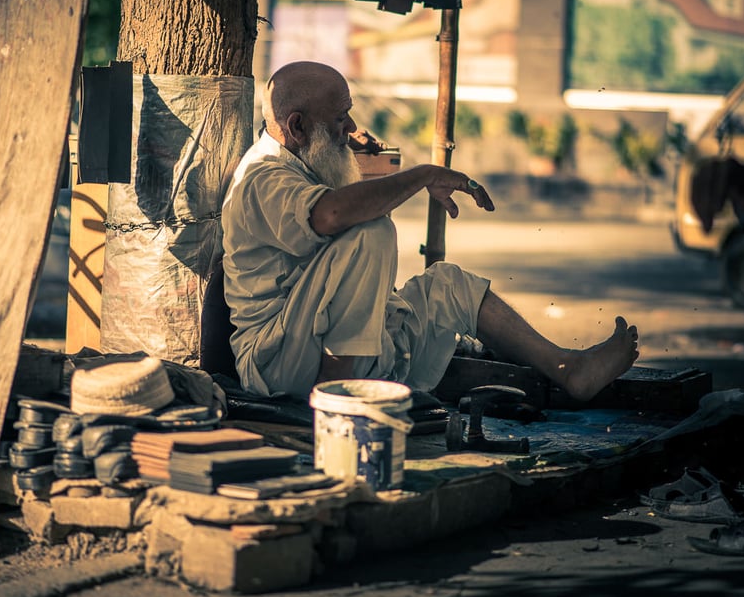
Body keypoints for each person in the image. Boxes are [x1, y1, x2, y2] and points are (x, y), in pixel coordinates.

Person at [220, 60, 639, 402]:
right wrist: (422, 176)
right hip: (280, 361)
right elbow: (329, 216)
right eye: (339, 119)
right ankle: (337, 401)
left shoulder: (305, 159)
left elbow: (342, 190)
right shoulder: (263, 177)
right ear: (296, 127)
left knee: (450, 286)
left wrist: (366, 155)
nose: (348, 130)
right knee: (373, 233)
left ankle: (569, 368)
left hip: (332, 347)